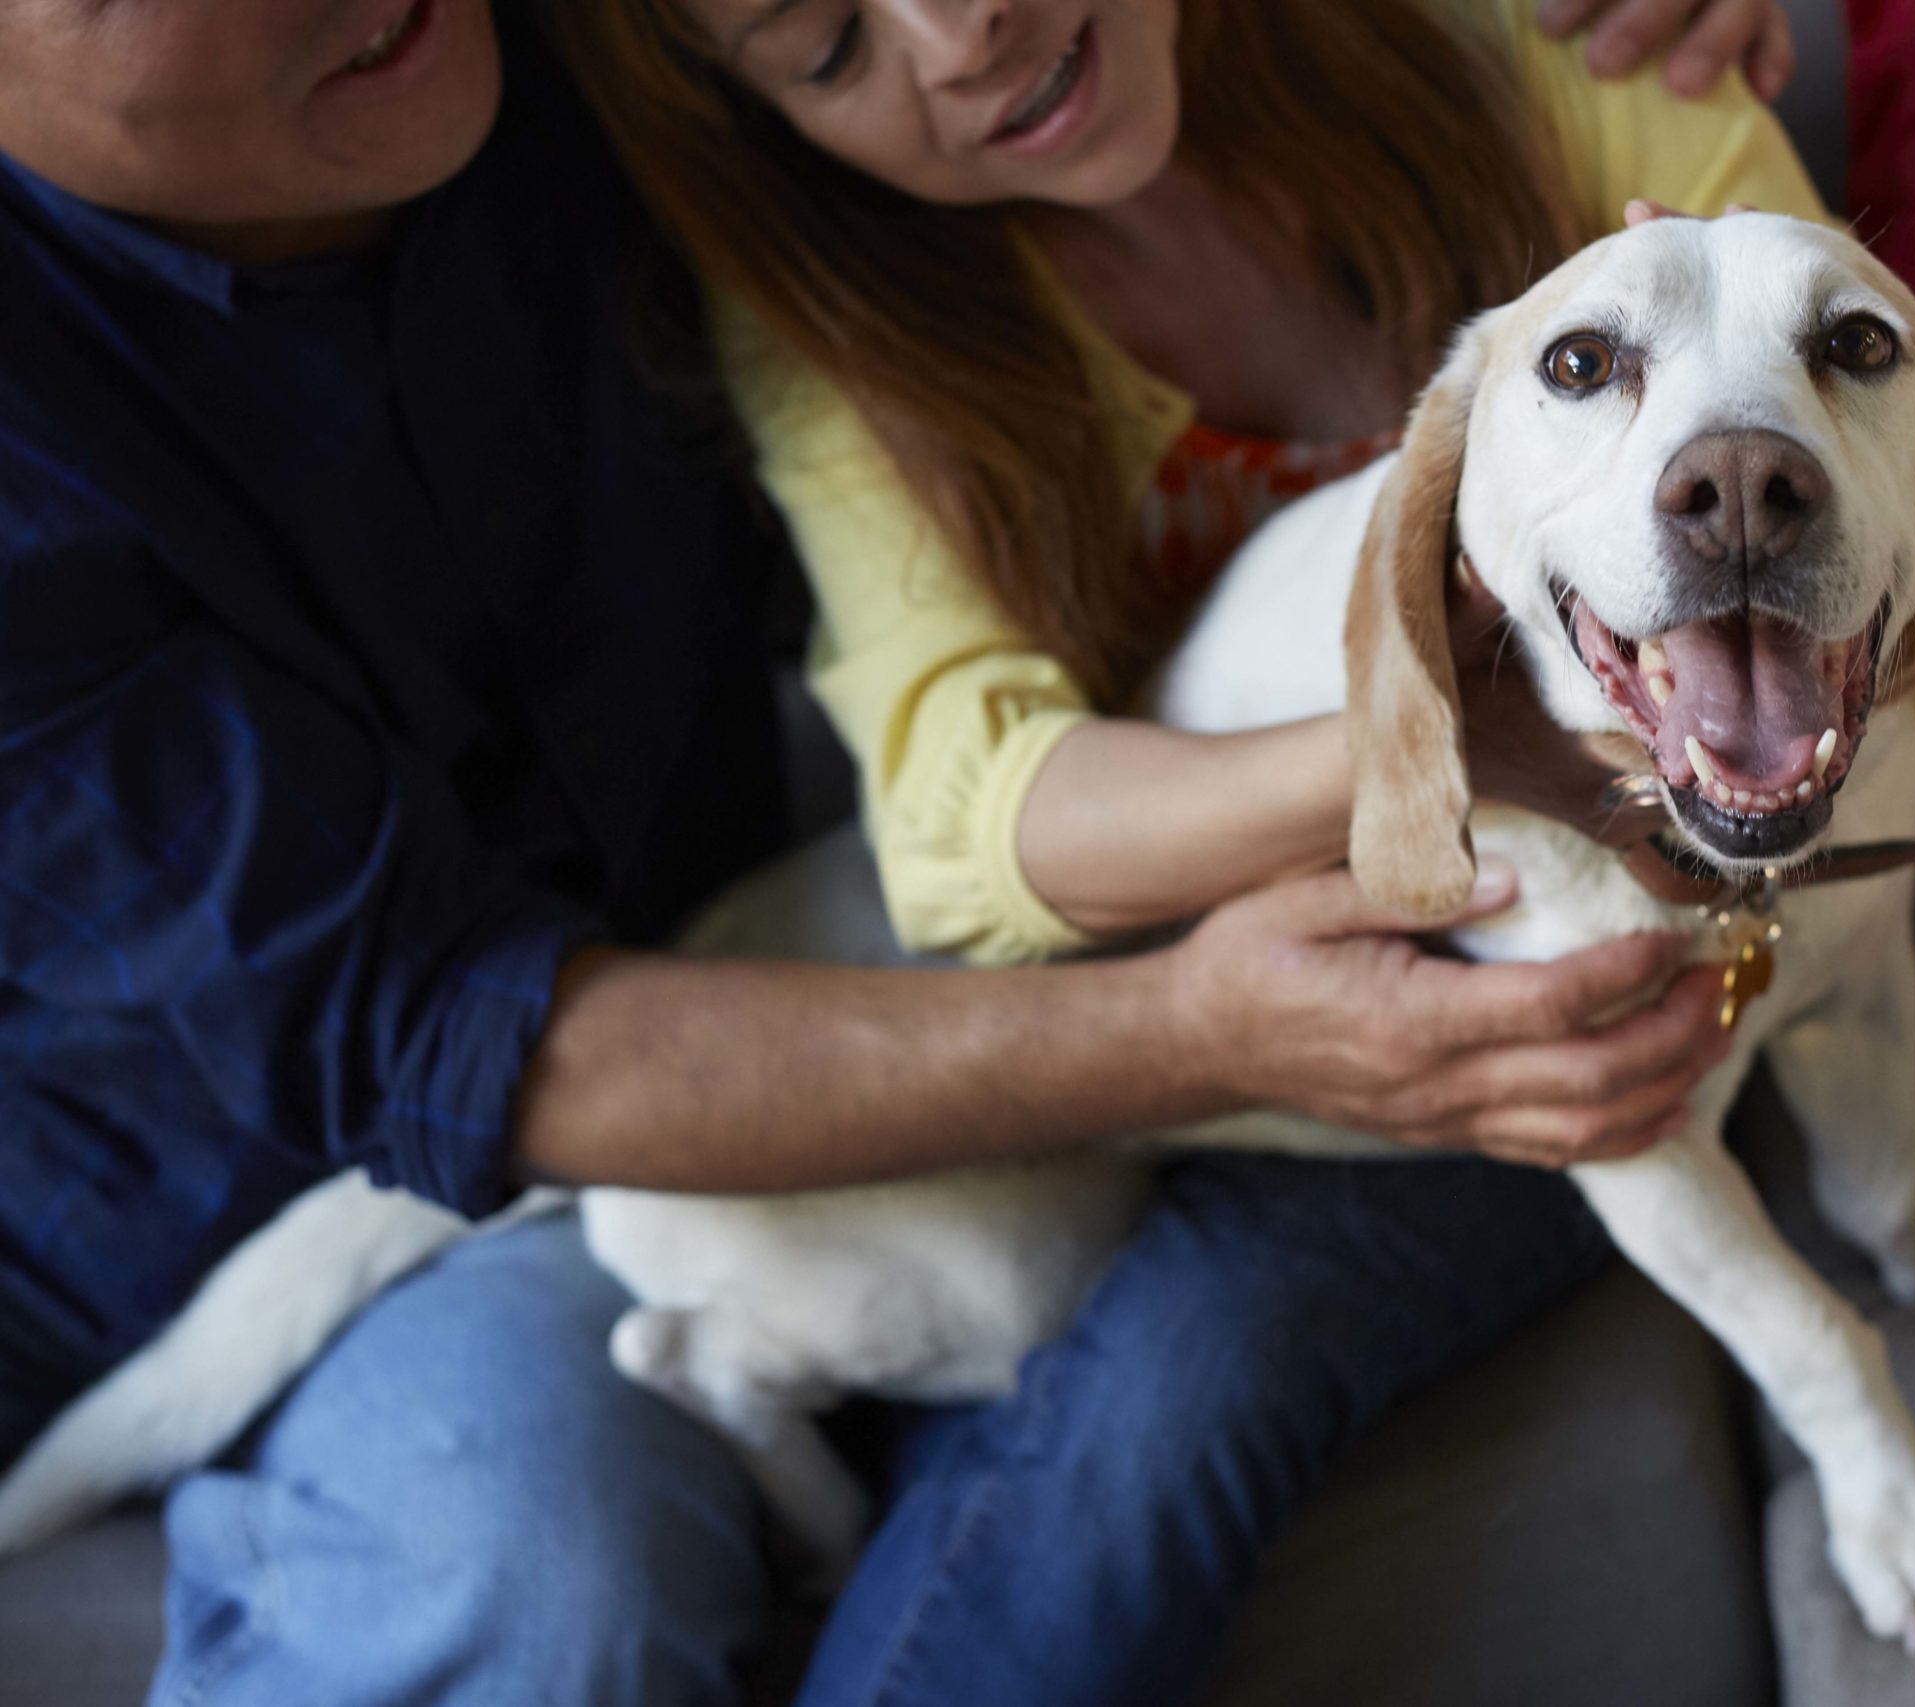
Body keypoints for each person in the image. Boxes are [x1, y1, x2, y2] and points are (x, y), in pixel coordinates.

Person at [0, 1, 1805, 1704]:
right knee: (530, 1580)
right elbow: (458, 1047)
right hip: (316, 1175)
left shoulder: (566, 53)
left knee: (1158, 1382)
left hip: (801, 922)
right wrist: (1211, 1027)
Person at [552, 0, 1915, 1701]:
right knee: (1145, 1374)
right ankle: (751, 1389)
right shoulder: (837, 317)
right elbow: (961, 831)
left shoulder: (1566, 41)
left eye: (1849, 360)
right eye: (828, 44)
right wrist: (1446, 743)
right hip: (1197, 982)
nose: (961, 31)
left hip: (1463, 985)